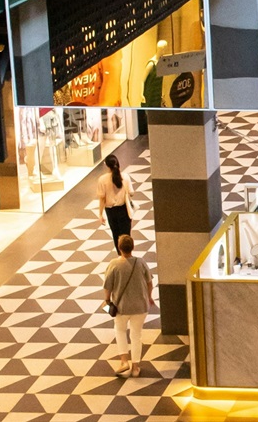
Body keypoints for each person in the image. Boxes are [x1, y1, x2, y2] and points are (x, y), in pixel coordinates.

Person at [103, 235, 155, 378]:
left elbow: (107, 286)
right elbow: (150, 282)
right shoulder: (141, 262)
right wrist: (149, 297)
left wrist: (107, 300)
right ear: (133, 247)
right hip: (140, 306)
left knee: (120, 331)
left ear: (119, 248)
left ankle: (124, 361)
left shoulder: (113, 264)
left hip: (121, 307)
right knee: (136, 335)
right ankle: (136, 367)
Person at [96, 155, 134, 254]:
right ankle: (128, 255)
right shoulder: (125, 176)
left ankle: (120, 255)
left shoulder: (102, 179)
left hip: (110, 211)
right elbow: (131, 192)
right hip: (124, 209)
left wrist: (100, 214)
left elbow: (102, 198)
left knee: (115, 233)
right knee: (126, 235)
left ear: (107, 165)